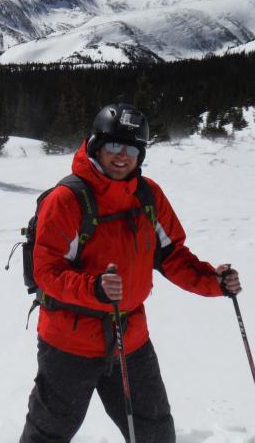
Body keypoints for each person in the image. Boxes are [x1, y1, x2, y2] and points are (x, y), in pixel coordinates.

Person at [20, 103, 241, 443]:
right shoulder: (67, 199)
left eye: (131, 149)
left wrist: (214, 282)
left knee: (154, 433)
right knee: (47, 435)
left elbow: (172, 256)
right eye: (113, 147)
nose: (121, 157)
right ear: (96, 146)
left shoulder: (148, 196)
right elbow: (46, 271)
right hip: (70, 343)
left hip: (131, 337)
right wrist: (93, 287)